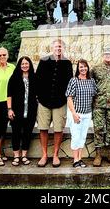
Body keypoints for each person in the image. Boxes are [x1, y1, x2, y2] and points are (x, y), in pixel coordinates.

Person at [36, 39, 73, 167]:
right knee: (43, 128)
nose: (58, 48)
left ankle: (56, 155)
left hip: (60, 102)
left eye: (61, 47)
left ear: (63, 49)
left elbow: (70, 83)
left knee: (58, 129)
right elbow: (38, 79)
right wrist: (38, 96)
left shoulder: (67, 63)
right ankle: (44, 154)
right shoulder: (44, 61)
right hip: (44, 101)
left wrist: (67, 99)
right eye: (56, 46)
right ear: (52, 48)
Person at [65, 59, 98, 168]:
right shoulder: (74, 80)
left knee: (82, 137)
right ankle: (75, 160)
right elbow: (69, 98)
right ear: (78, 69)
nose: (83, 69)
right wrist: (74, 113)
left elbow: (94, 96)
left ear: (87, 67)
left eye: (85, 66)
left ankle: (80, 158)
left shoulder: (91, 81)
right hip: (76, 114)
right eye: (81, 67)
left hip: (87, 114)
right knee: (75, 137)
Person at [7, 56, 38, 166]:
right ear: (19, 65)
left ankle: (24, 155)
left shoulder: (34, 77)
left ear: (30, 65)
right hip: (16, 110)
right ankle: (16, 156)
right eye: (22, 64)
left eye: (27, 63)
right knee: (16, 133)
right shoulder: (14, 77)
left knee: (27, 133)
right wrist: (9, 109)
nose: (25, 65)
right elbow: (9, 95)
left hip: (30, 111)